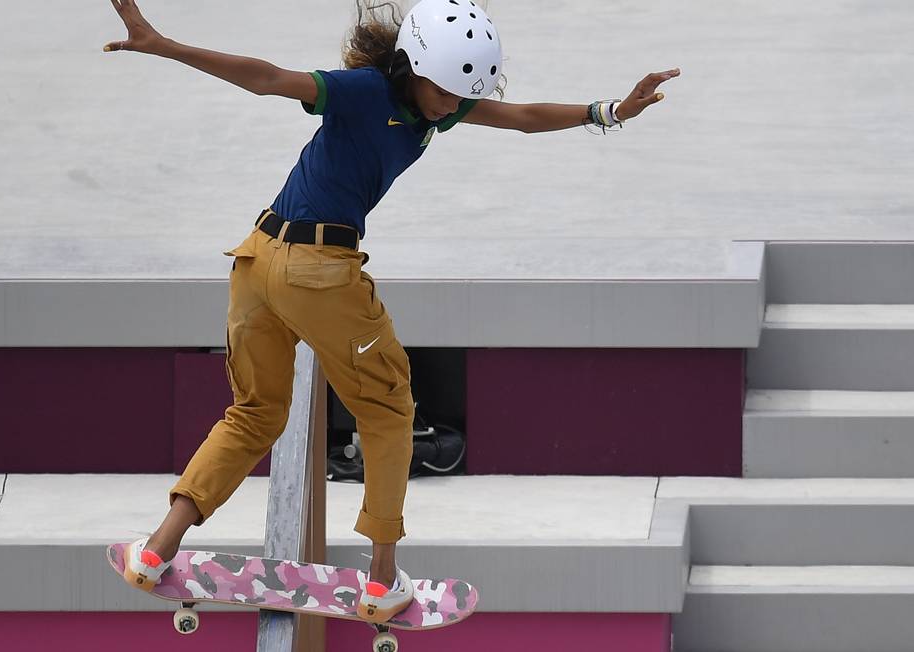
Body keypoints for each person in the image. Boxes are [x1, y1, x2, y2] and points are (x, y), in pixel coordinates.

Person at [103, 0, 679, 622]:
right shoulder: (363, 90)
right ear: (410, 67)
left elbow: (521, 118)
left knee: (256, 413)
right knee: (387, 408)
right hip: (317, 272)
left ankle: (155, 552)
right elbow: (267, 78)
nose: (450, 106)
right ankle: (381, 581)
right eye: (444, 91)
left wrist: (610, 111)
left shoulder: (437, 100)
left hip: (257, 264)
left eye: (462, 96)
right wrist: (164, 45)